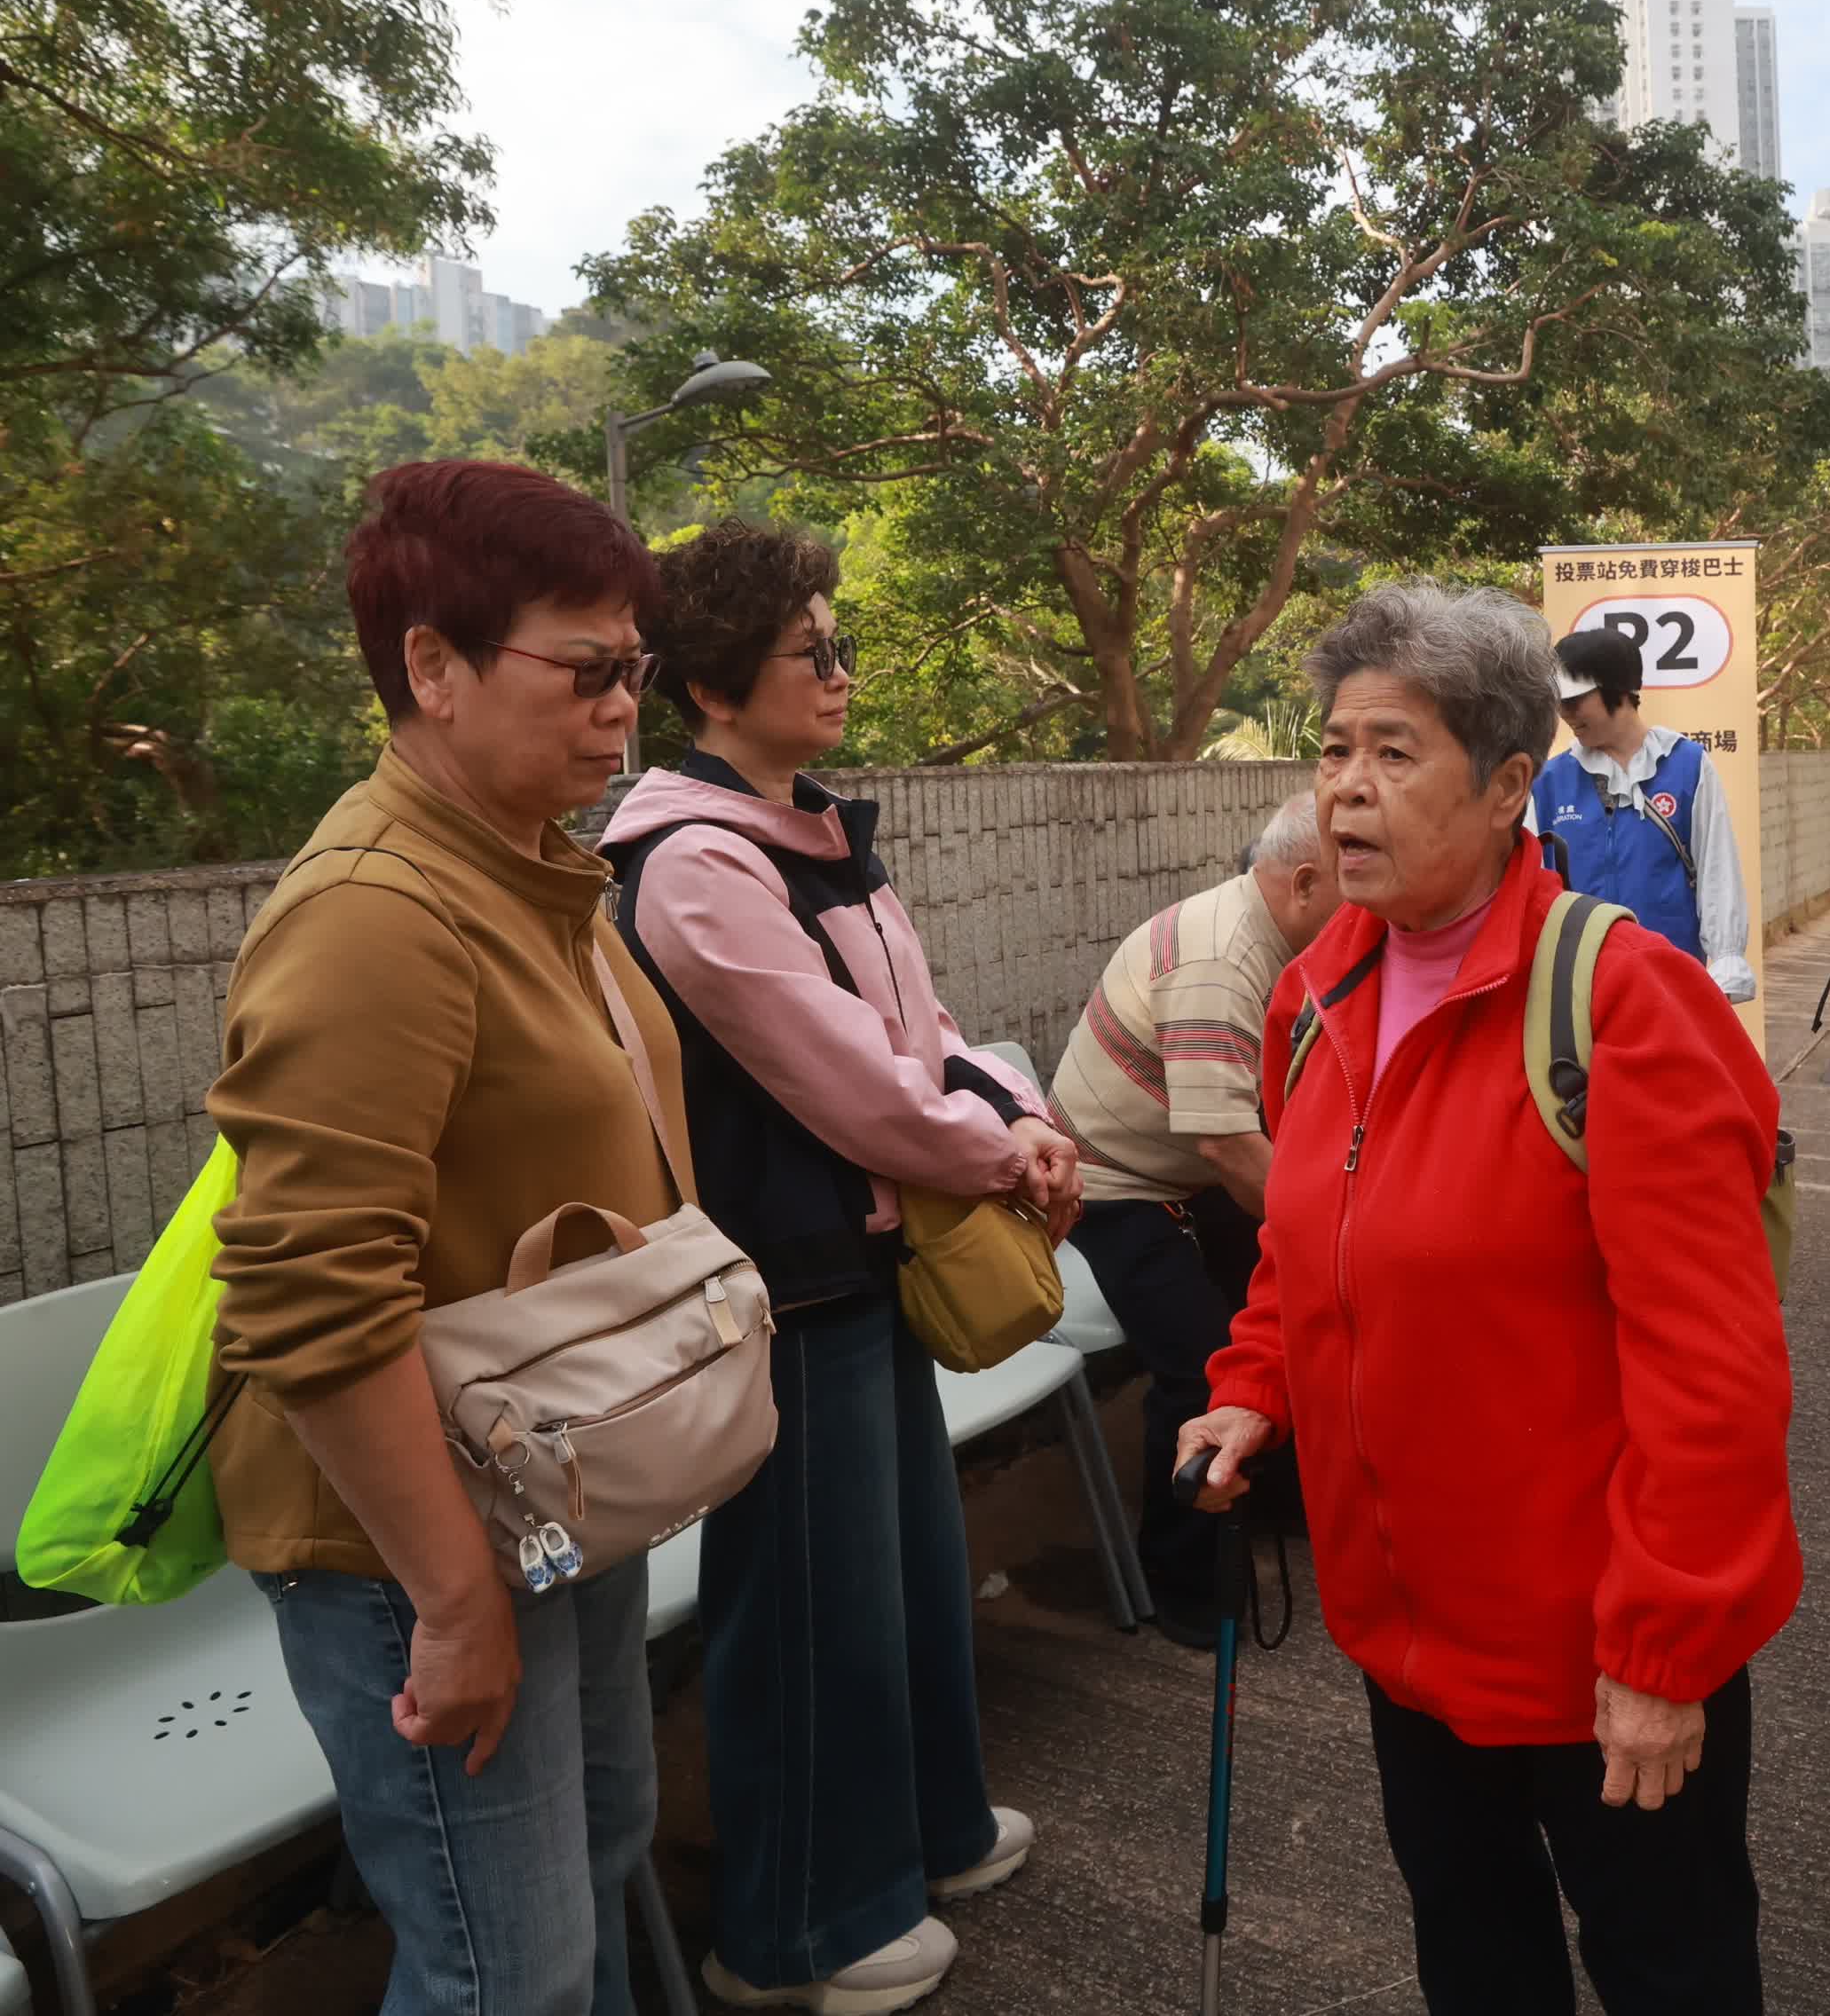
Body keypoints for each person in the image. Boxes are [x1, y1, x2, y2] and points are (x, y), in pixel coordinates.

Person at [1175, 582, 1802, 2016]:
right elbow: (1303, 1239)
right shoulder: (1316, 992)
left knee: (1671, 1968)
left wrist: (1661, 1653)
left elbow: (1711, 1367)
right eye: (1334, 749)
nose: (1345, 786)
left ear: (1510, 782)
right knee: (1472, 1952)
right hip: (1406, 1630)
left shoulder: (1622, 999)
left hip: (1598, 1647)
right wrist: (1252, 1383)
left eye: (1393, 752)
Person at [206, 461, 683, 2016]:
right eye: (586, 668)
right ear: (432, 664)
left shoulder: (529, 869)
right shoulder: (377, 909)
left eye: (636, 667)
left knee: (597, 1862)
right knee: (505, 1970)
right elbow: (307, 1297)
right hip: (415, 1536)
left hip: (542, 1480)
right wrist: (456, 1598)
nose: (623, 708)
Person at [601, 521, 1078, 2014]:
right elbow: (850, 1083)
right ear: (712, 685)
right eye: (811, 649)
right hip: (785, 1284)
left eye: (838, 642)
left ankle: (925, 1832)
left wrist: (1019, 1113)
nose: (840, 671)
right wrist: (1001, 1154)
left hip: (865, 1264)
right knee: (812, 1604)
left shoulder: (805, 828)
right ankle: (796, 1929)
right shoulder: (694, 861)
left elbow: (921, 1032)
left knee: (907, 1572)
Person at [1048, 791, 1338, 1646]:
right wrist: (1326, 1237)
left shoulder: (1277, 936)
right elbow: (1226, 1144)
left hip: (1183, 1169)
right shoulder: (1222, 958)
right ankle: (1184, 1587)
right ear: (1306, 882)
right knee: (1207, 1363)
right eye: (1354, 877)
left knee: (1284, 1319)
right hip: (1111, 1187)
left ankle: (1269, 1497)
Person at [1532, 628, 1757, 1000]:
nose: (1564, 713)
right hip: (1579, 983)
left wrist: (1726, 961)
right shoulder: (1548, 783)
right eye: (1559, 702)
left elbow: (1717, 870)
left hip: (1671, 979)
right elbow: (1533, 887)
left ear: (1619, 689)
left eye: (1573, 700)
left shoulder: (1687, 766)